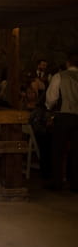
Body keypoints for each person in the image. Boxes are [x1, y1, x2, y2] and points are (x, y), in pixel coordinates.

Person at [45, 52, 78, 191]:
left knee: (58, 150)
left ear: (67, 63)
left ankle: (57, 182)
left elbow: (51, 98)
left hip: (63, 116)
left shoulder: (59, 76)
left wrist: (48, 107)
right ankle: (76, 183)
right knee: (77, 151)